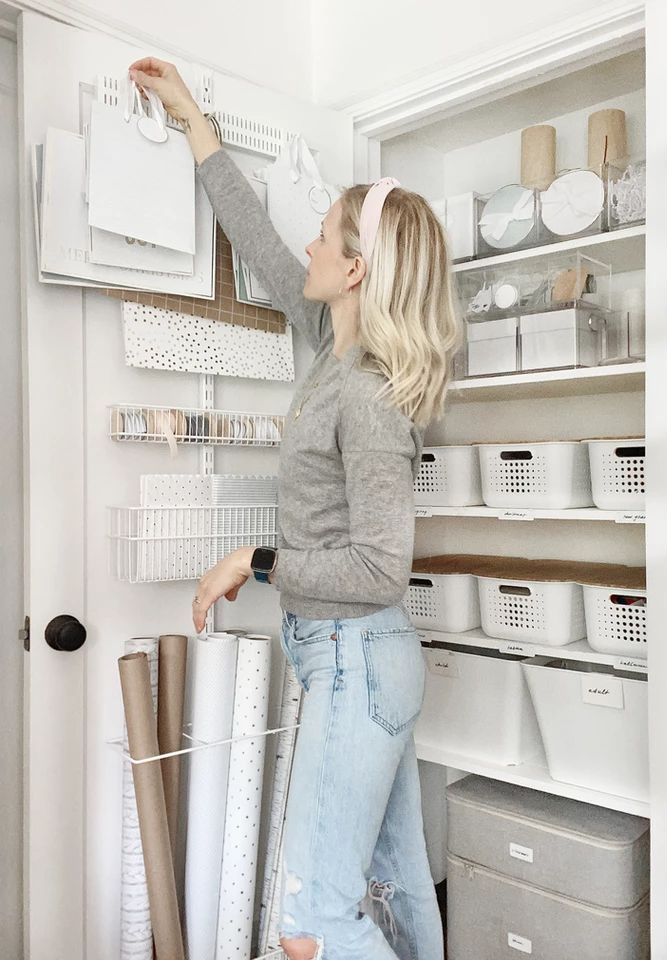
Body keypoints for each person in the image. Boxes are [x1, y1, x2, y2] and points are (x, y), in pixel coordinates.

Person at [129, 57, 460, 960]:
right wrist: (192, 118)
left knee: (312, 928)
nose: (307, 249)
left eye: (324, 239)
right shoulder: (327, 347)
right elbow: (260, 244)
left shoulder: (370, 395)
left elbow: (380, 565)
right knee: (392, 889)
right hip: (350, 658)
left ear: (355, 269)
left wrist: (257, 560)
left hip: (357, 657)